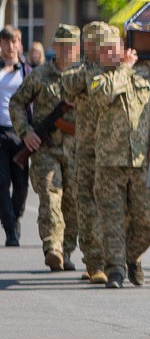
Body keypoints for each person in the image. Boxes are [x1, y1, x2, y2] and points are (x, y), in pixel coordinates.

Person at [61, 25, 150, 288]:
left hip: (141, 160)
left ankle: (130, 257)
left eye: (113, 47)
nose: (109, 53)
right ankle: (114, 269)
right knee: (111, 218)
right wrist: (124, 68)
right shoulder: (96, 76)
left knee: (146, 219)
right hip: (107, 161)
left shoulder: (145, 74)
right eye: (103, 49)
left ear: (122, 47)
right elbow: (102, 94)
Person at [10, 25, 80, 269]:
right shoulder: (39, 76)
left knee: (72, 201)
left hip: (76, 149)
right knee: (51, 195)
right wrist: (25, 132)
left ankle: (67, 250)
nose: (67, 51)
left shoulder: (82, 77)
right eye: (63, 46)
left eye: (72, 47)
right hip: (45, 149)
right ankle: (53, 246)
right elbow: (17, 103)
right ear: (55, 47)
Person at [68, 23, 109, 283]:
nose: (97, 48)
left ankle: (115, 258)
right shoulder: (78, 71)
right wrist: (93, 69)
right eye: (93, 43)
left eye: (102, 43)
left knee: (113, 208)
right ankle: (94, 262)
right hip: (85, 151)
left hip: (114, 153)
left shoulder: (119, 71)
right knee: (85, 206)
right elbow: (68, 84)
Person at [0, 26, 33, 247]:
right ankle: (10, 228)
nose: (11, 46)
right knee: (1, 182)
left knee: (21, 185)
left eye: (15, 41)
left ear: (20, 44)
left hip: (21, 134)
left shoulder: (27, 71)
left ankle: (17, 216)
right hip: (0, 132)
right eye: (6, 42)